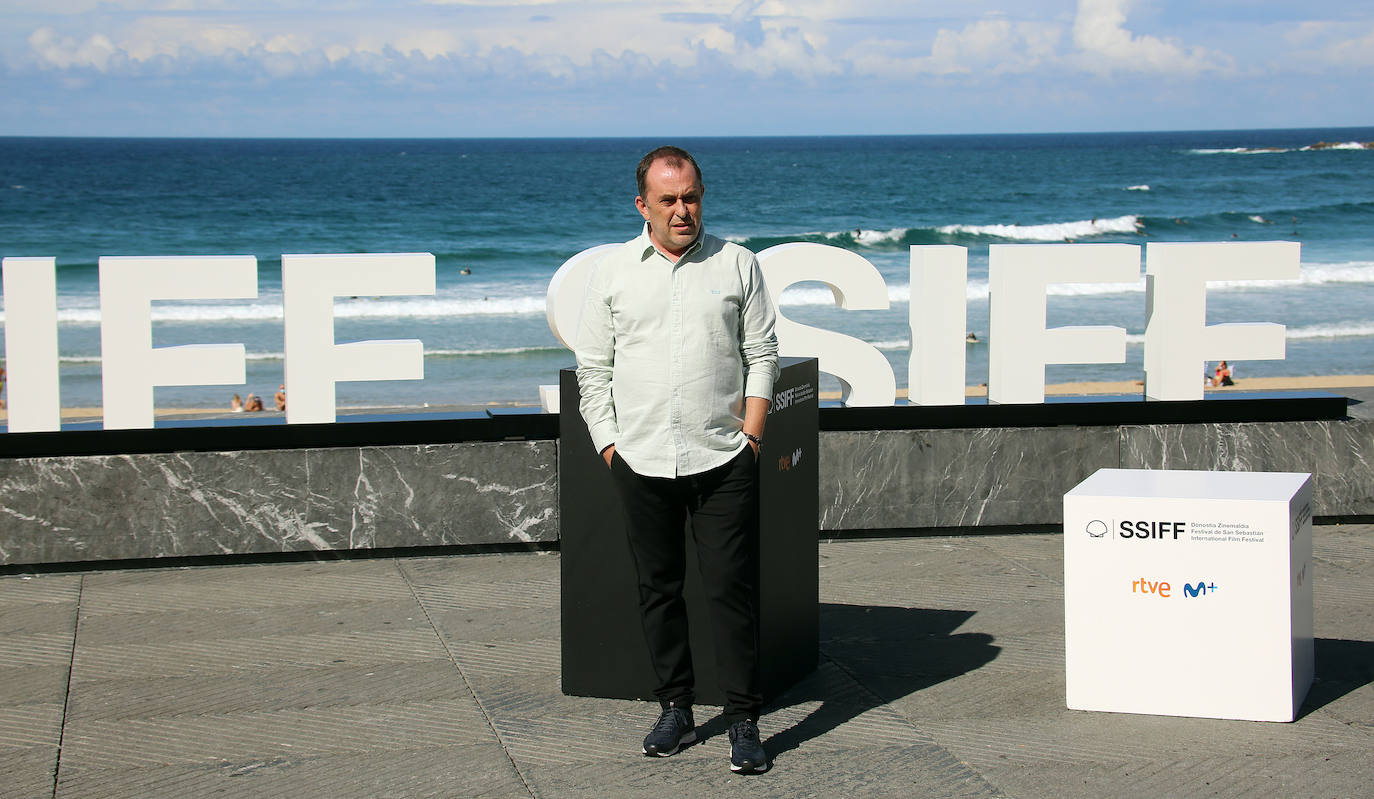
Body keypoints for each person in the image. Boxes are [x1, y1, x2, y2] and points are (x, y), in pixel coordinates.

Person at [575, 146, 779, 775]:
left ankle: (743, 720)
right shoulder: (612, 273)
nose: (682, 209)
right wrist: (609, 445)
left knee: (731, 592)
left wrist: (753, 436)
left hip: (723, 458)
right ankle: (676, 708)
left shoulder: (737, 263)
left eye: (690, 195)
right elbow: (594, 368)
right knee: (658, 591)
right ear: (643, 205)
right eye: (668, 199)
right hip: (640, 460)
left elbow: (763, 352)